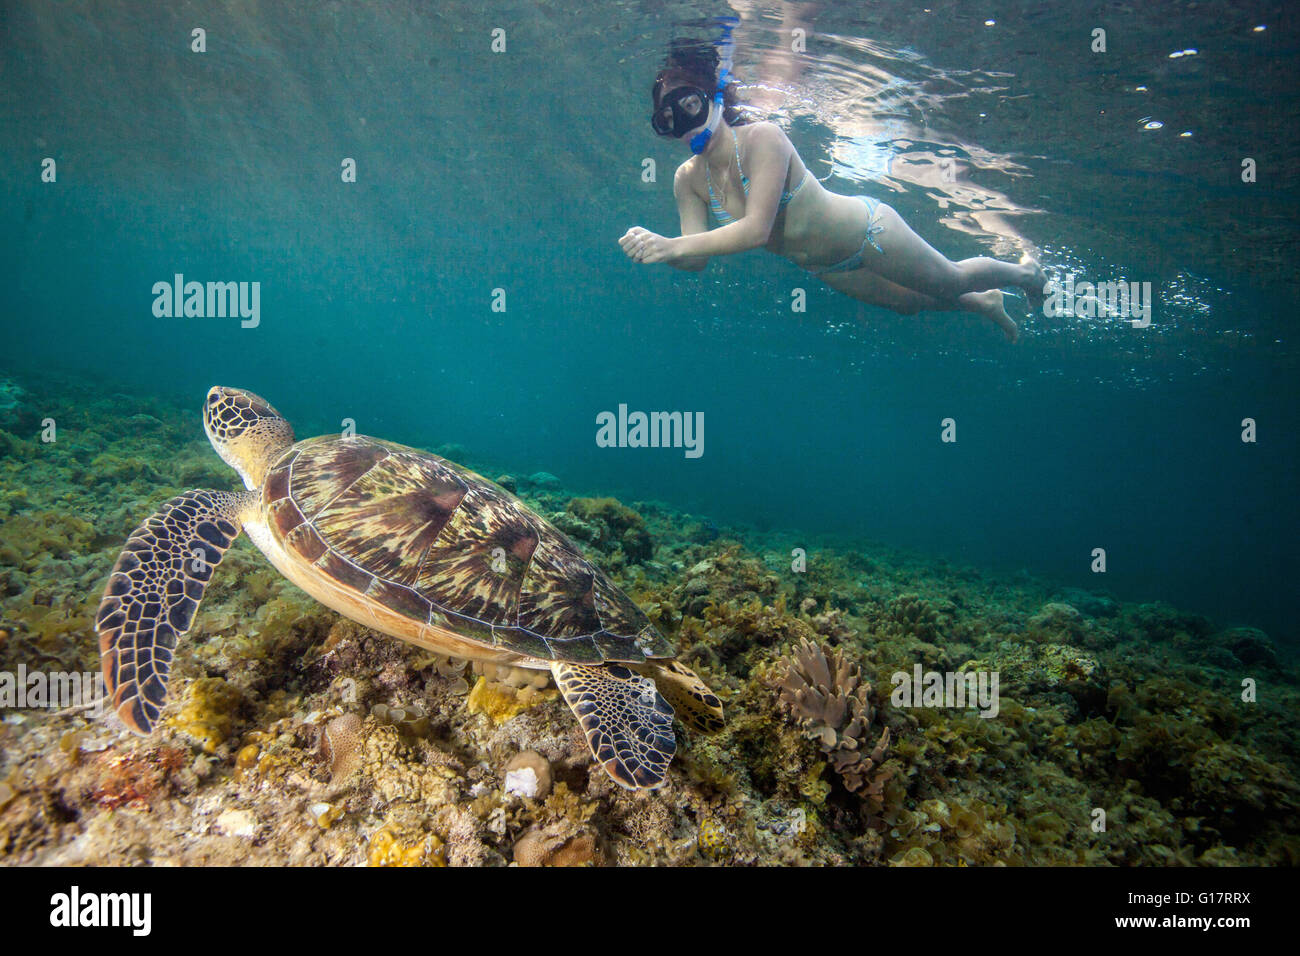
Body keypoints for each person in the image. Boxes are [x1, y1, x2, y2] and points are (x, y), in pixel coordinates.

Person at [619, 37, 1047, 342]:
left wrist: (672, 246)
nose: (682, 120)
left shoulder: (763, 138)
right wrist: (654, 249)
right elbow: (696, 260)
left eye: (688, 104)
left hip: (869, 232)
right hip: (828, 266)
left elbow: (756, 231)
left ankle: (1026, 274)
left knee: (949, 281)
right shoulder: (686, 179)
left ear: (711, 96)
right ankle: (986, 303)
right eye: (668, 118)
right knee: (910, 303)